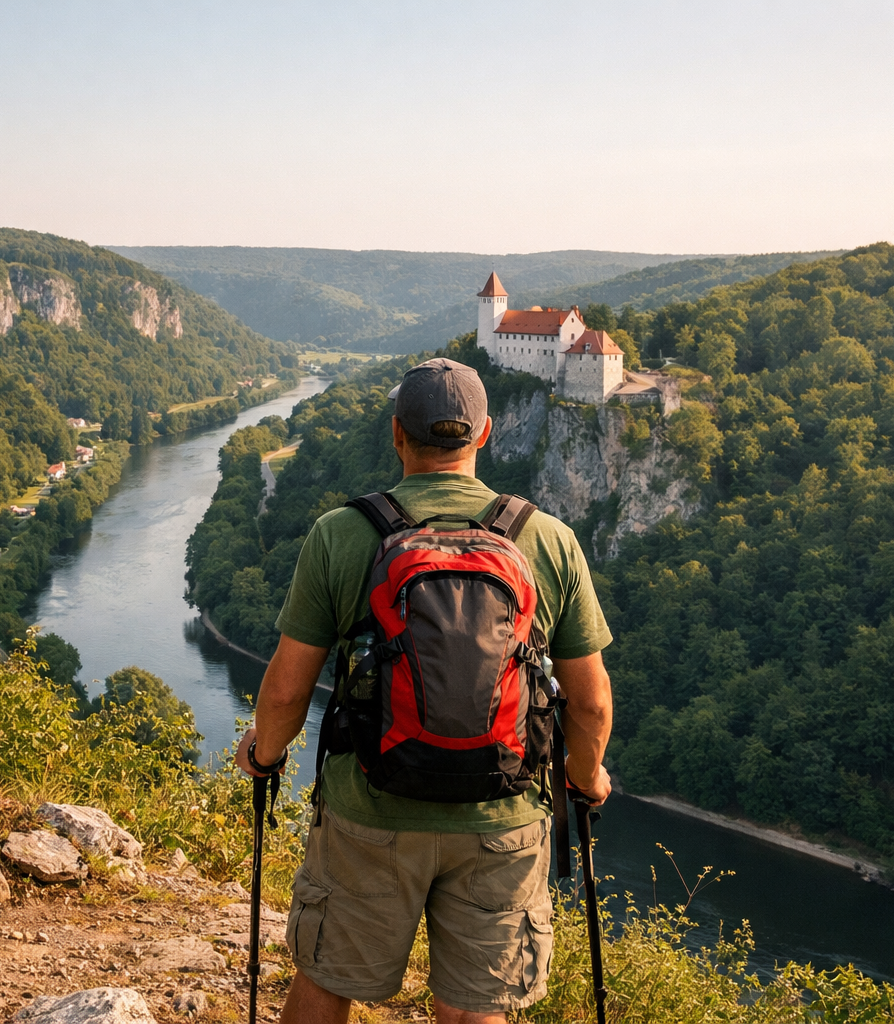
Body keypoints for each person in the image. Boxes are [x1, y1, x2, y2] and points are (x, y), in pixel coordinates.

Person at [235, 357, 614, 1024]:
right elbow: (588, 702)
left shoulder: (344, 534)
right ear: (486, 433)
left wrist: (263, 755)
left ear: (396, 435)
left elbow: (289, 689)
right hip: (503, 817)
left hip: (370, 813)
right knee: (478, 1007)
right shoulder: (546, 539)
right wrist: (585, 778)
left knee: (327, 978)